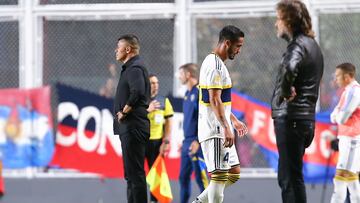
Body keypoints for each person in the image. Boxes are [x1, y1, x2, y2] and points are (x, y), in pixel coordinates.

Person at [271, 1, 324, 203]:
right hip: (304, 119)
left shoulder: (298, 45)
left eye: (278, 19)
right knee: (294, 177)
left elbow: (289, 68)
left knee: (289, 179)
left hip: (291, 119)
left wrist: (284, 91)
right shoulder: (313, 46)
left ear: (289, 21)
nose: (276, 24)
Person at [193, 25, 248, 203]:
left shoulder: (215, 63)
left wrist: (234, 120)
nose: (239, 50)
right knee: (219, 177)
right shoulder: (215, 65)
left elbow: (217, 101)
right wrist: (226, 127)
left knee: (233, 173)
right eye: (237, 46)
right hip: (215, 130)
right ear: (227, 43)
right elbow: (214, 99)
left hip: (219, 127)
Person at [113, 34, 150, 203]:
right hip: (130, 127)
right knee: (130, 175)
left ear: (128, 49)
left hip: (133, 126)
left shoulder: (135, 68)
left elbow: (138, 92)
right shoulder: (130, 68)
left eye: (118, 47)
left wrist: (124, 111)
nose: (116, 51)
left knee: (135, 175)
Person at [178, 63, 209, 203]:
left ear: (188, 74)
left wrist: (198, 140)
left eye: (181, 74)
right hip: (186, 143)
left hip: (197, 142)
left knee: (200, 178)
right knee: (183, 177)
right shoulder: (186, 94)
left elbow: (206, 118)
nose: (179, 77)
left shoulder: (199, 92)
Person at [330, 63, 360, 203]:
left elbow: (341, 117)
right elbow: (334, 115)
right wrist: (337, 115)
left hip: (352, 139)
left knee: (340, 179)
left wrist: (337, 115)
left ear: (347, 77)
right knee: (351, 180)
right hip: (345, 138)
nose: (336, 79)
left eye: (338, 76)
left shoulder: (355, 92)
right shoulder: (346, 92)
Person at [146, 74, 174, 203]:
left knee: (156, 174)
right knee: (139, 174)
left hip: (156, 143)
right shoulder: (140, 100)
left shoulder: (164, 101)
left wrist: (166, 141)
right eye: (152, 83)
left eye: (156, 83)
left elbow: (169, 122)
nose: (155, 85)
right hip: (141, 142)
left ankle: (154, 200)